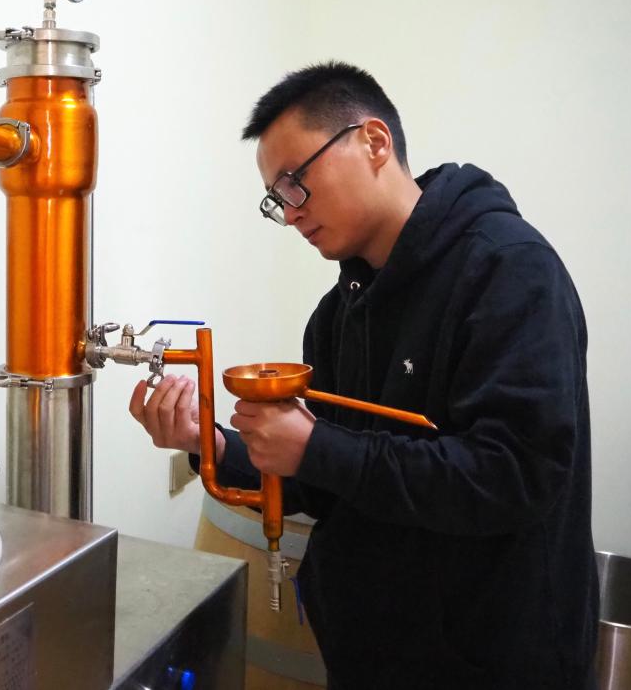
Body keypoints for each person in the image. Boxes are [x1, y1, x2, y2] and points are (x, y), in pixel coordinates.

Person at [129, 62, 598, 689]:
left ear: (374, 142)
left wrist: (318, 447)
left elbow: (514, 475)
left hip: (490, 661)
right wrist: (208, 443)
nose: (289, 213)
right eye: (276, 198)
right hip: (369, 656)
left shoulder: (508, 269)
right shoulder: (338, 313)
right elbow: (327, 482)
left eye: (295, 182)